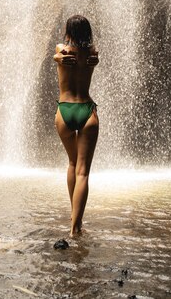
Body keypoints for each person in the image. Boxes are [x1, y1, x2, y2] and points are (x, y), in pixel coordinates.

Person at [54, 15, 99, 236]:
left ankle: (74, 219)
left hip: (64, 111)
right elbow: (93, 56)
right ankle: (75, 228)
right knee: (83, 173)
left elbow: (58, 54)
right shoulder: (92, 53)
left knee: (72, 164)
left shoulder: (61, 49)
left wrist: (57, 57)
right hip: (87, 111)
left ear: (68, 32)